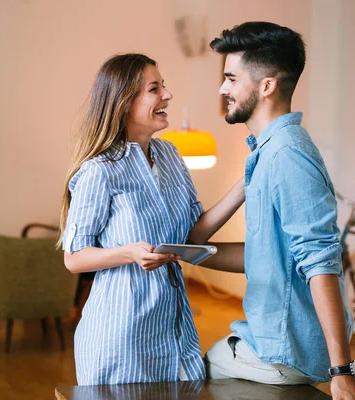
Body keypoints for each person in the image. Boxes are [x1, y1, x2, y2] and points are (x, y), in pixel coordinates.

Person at [201, 22, 355, 399]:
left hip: (280, 351)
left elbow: (319, 260)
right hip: (267, 339)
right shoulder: (269, 152)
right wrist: (189, 255)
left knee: (189, 368)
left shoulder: (287, 155)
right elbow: (269, 257)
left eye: (230, 78)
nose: (223, 89)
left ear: (266, 86)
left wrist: (342, 371)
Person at [58, 53, 245, 385]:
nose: (167, 96)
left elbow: (192, 234)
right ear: (124, 102)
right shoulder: (99, 171)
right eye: (154, 89)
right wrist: (129, 253)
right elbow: (74, 259)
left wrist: (244, 186)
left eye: (164, 87)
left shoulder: (170, 154)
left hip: (174, 327)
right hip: (119, 335)